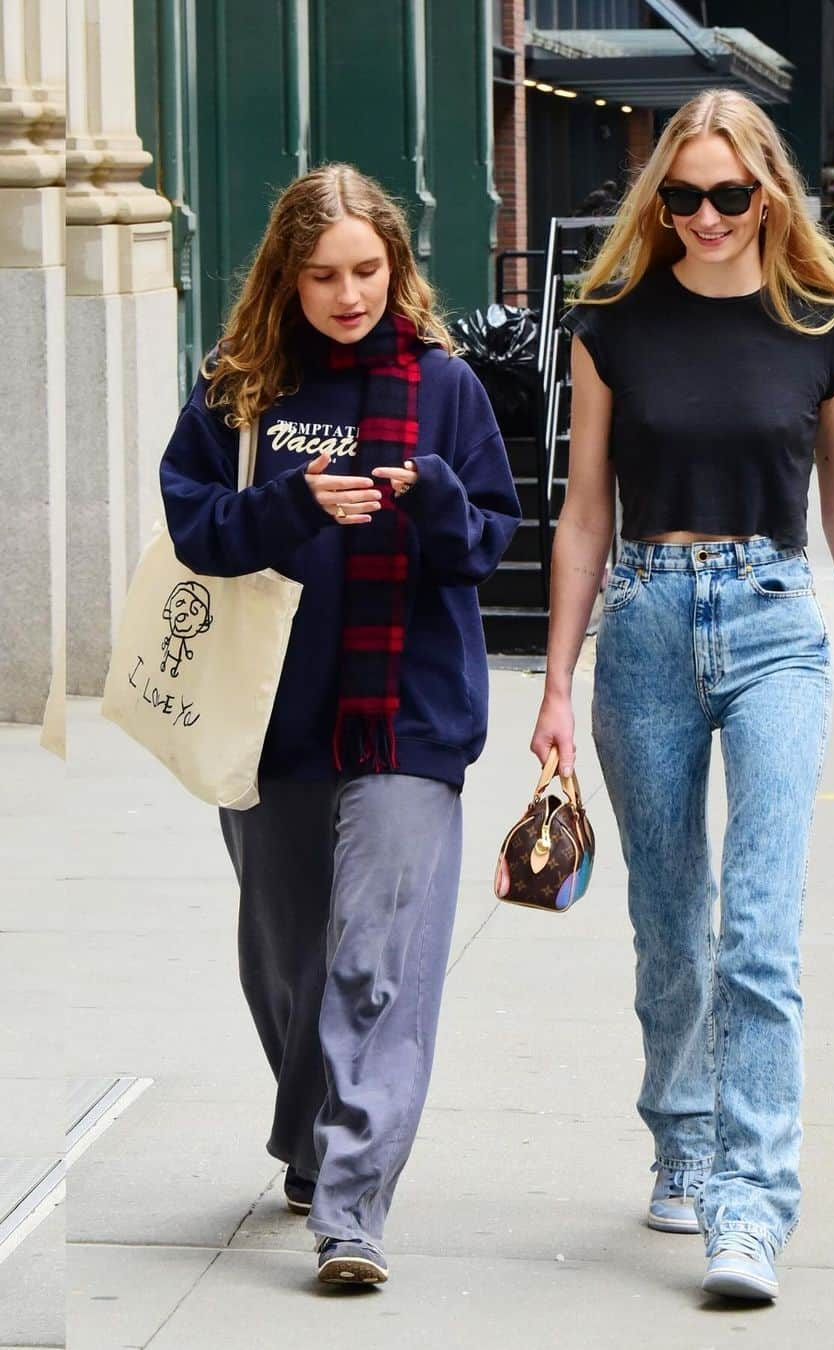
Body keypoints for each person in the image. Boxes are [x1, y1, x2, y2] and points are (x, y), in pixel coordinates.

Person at [530, 88, 834, 1303]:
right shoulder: (612, 325)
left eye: (727, 195)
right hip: (642, 620)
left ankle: (749, 1208)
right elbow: (583, 511)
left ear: (767, 193)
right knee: (669, 927)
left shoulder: (823, 323)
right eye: (681, 196)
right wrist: (554, 680)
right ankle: (681, 1139)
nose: (703, 217)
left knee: (759, 932)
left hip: (774, 627)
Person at [159, 164, 520, 1287]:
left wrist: (435, 502)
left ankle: (351, 1214)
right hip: (269, 720)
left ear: (395, 268)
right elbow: (193, 526)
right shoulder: (241, 390)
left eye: (366, 270)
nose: (348, 293)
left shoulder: (446, 388)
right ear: (287, 276)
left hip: (407, 720)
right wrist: (289, 503)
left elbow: (488, 546)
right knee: (288, 967)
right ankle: (314, 1140)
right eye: (323, 275)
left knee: (378, 965)